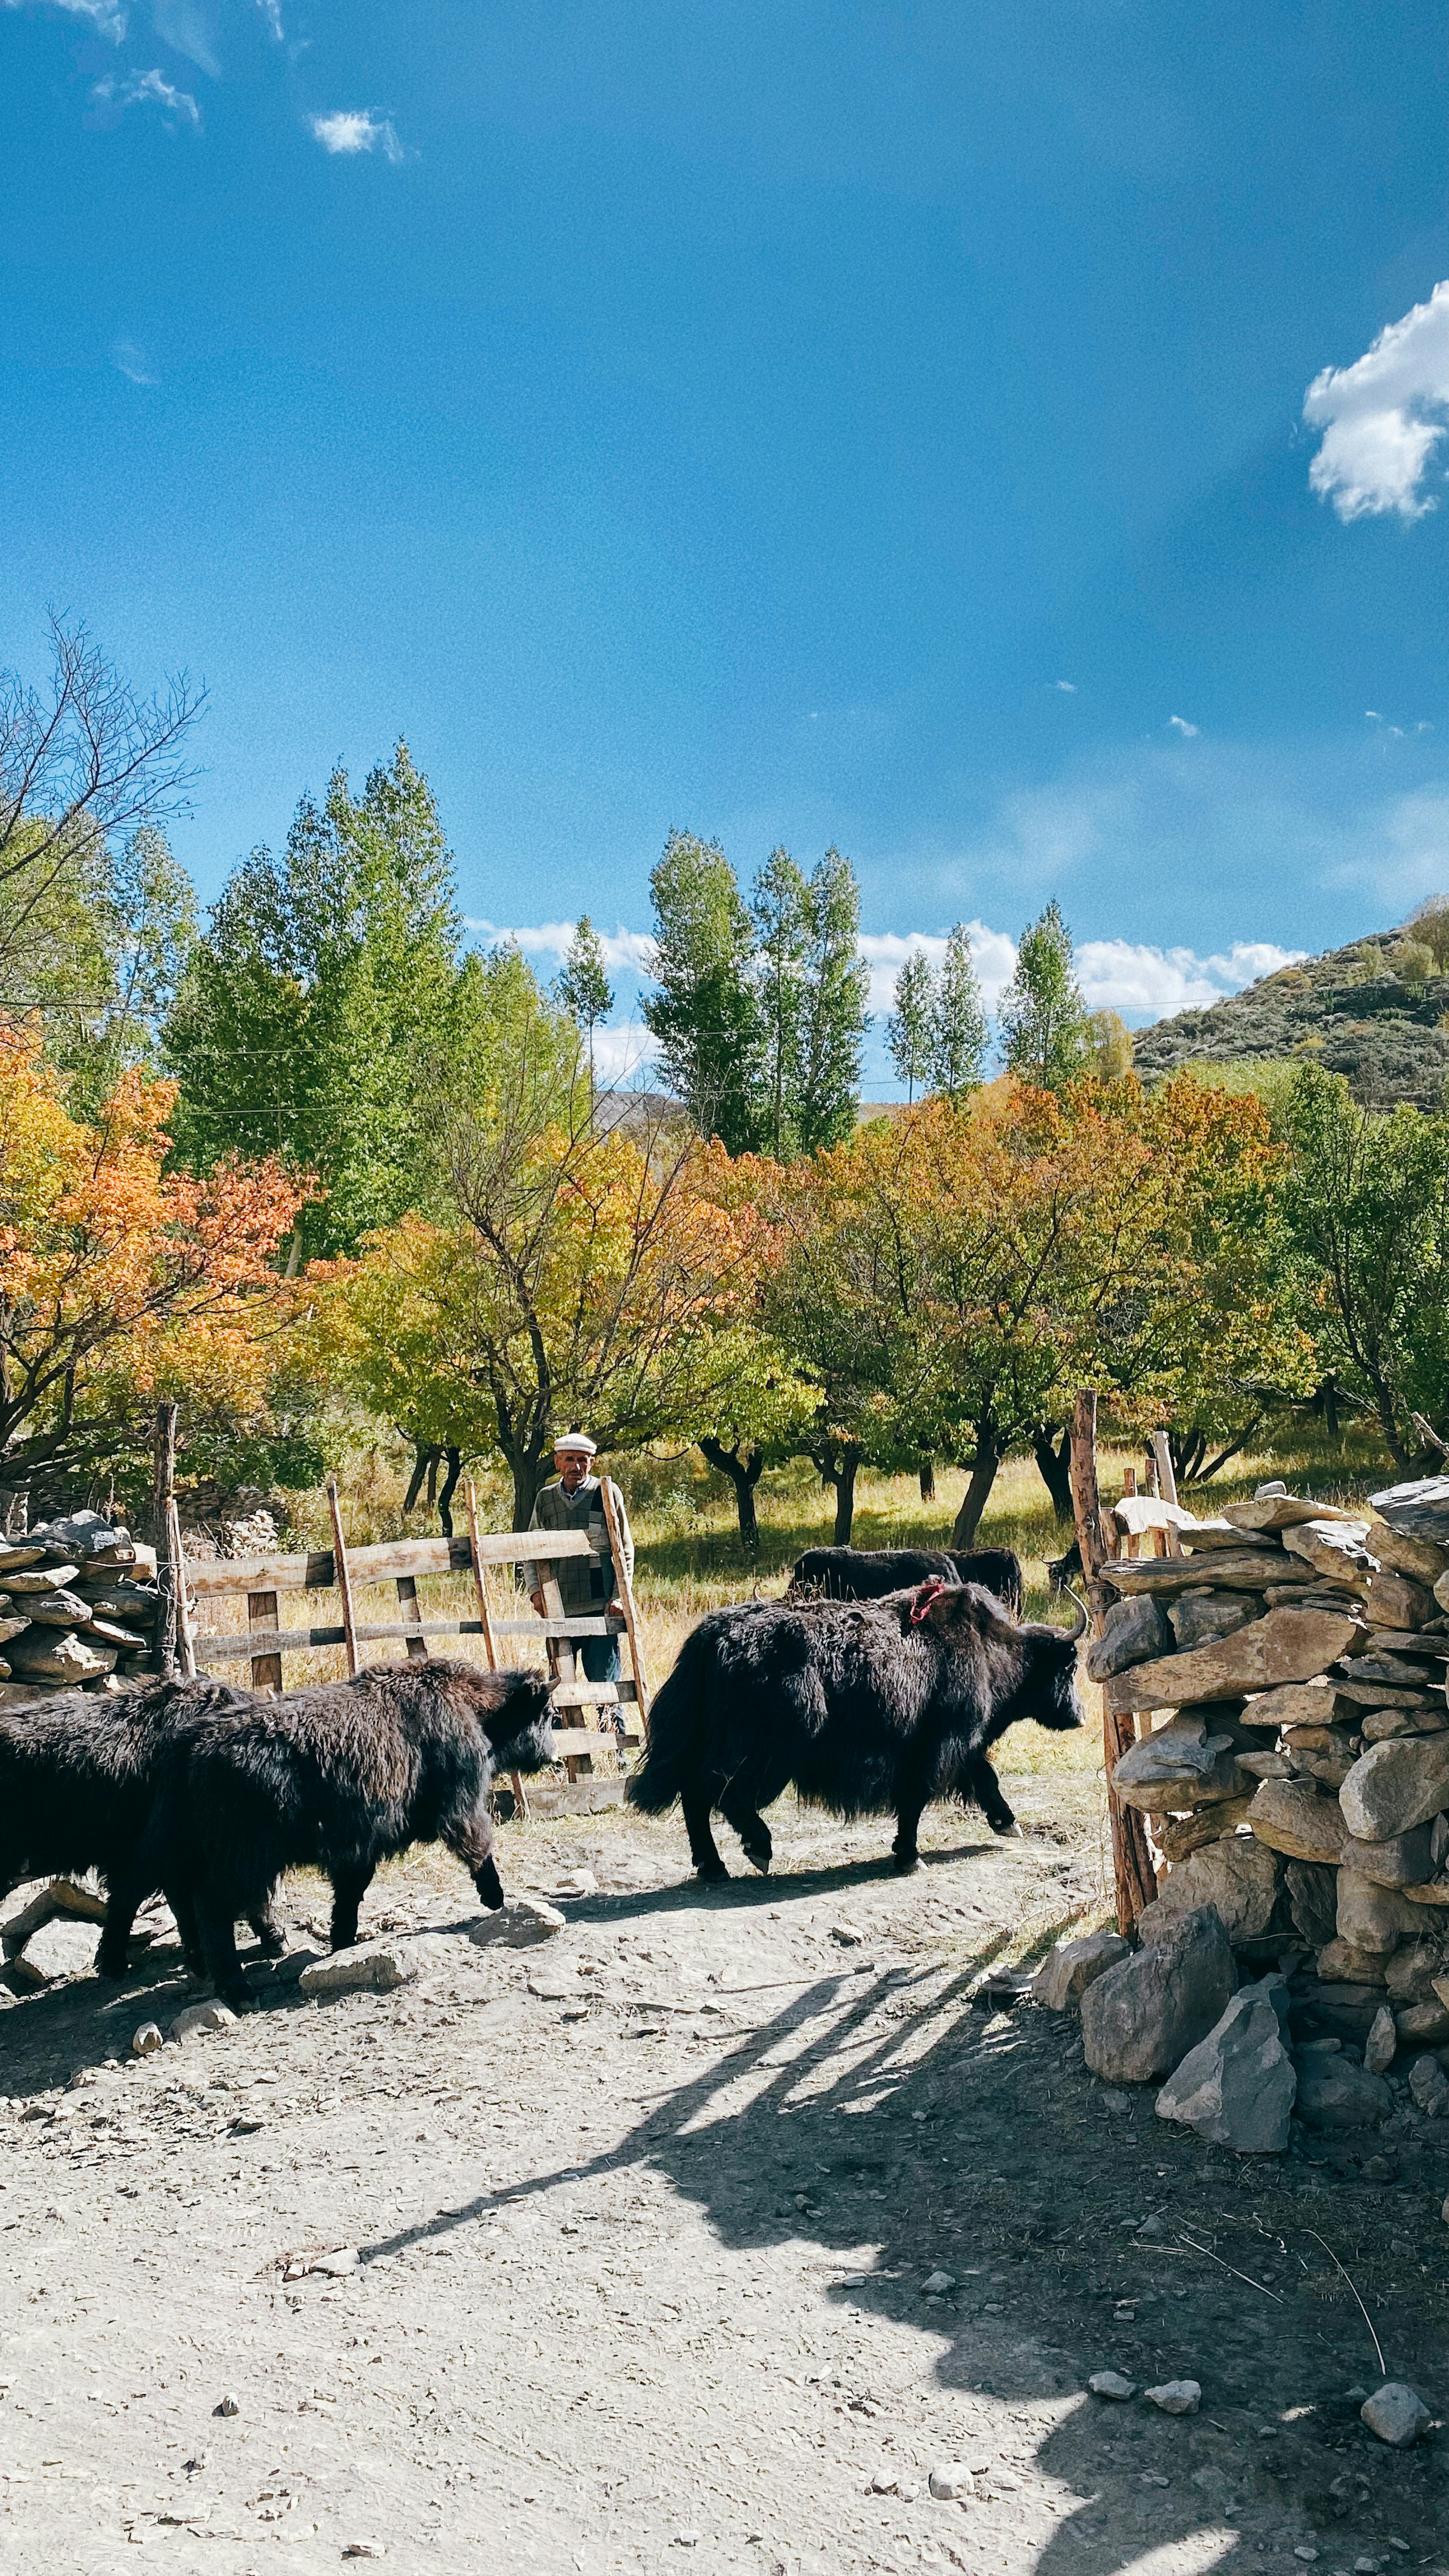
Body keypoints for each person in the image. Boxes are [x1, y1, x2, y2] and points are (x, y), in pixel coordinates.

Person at [522, 1433, 634, 1687]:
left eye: (583, 1460)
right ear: (558, 1462)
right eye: (569, 1459)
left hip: (600, 1609)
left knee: (606, 1689)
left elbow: (625, 1549)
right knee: (559, 1689)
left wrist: (619, 1596)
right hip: (560, 1609)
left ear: (591, 1463)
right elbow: (531, 1551)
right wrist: (536, 1593)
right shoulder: (546, 1499)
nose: (576, 1467)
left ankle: (612, 1730)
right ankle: (563, 1730)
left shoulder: (606, 1493)